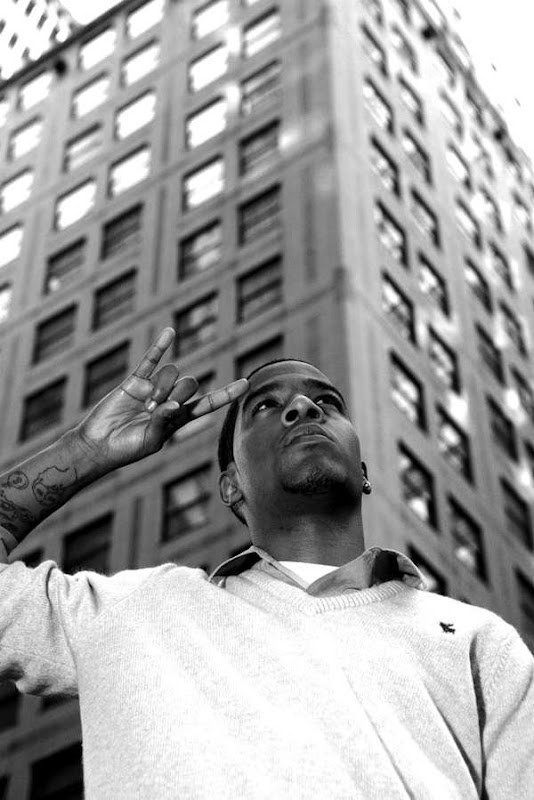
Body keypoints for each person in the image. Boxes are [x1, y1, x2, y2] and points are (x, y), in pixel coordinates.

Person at [0, 327, 532, 799]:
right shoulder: (135, 609)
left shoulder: (476, 639)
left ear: (364, 470)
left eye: (328, 401)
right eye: (263, 407)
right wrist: (84, 451)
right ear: (232, 486)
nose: (304, 407)